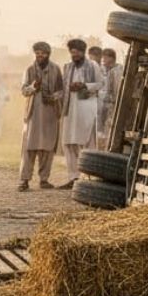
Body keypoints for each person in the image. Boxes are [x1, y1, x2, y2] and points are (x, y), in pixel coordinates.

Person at [58, 39, 102, 190]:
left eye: (77, 52)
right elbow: (63, 87)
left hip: (86, 108)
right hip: (70, 109)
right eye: (72, 52)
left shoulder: (93, 65)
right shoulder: (67, 67)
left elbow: (100, 84)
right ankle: (73, 177)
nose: (74, 55)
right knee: (68, 142)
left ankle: (90, 178)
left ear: (83, 52)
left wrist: (84, 85)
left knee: (87, 142)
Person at [18, 43, 62, 191]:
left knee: (47, 148)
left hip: (50, 114)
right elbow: (23, 91)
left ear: (48, 54)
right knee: (29, 147)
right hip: (33, 114)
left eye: (43, 53)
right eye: (37, 53)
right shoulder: (29, 69)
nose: (40, 56)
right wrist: (33, 87)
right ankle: (24, 180)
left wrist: (53, 97)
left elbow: (61, 90)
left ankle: (44, 180)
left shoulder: (55, 69)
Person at [98, 48, 124, 149]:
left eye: (104, 58)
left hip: (116, 105)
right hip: (114, 105)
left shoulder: (116, 71)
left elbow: (113, 92)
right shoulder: (114, 70)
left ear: (111, 58)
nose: (103, 61)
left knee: (111, 129)